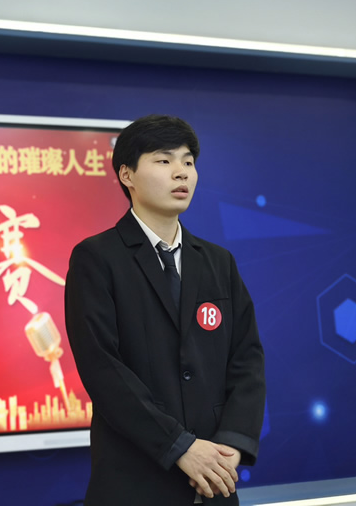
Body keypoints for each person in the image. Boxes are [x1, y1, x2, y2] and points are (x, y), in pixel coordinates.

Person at [65, 114, 265, 505]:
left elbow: (247, 358)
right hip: (134, 481)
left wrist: (230, 446)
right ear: (127, 174)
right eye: (164, 160)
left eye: (188, 161)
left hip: (213, 482)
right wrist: (180, 446)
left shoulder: (218, 262)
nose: (181, 172)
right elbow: (102, 367)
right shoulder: (97, 258)